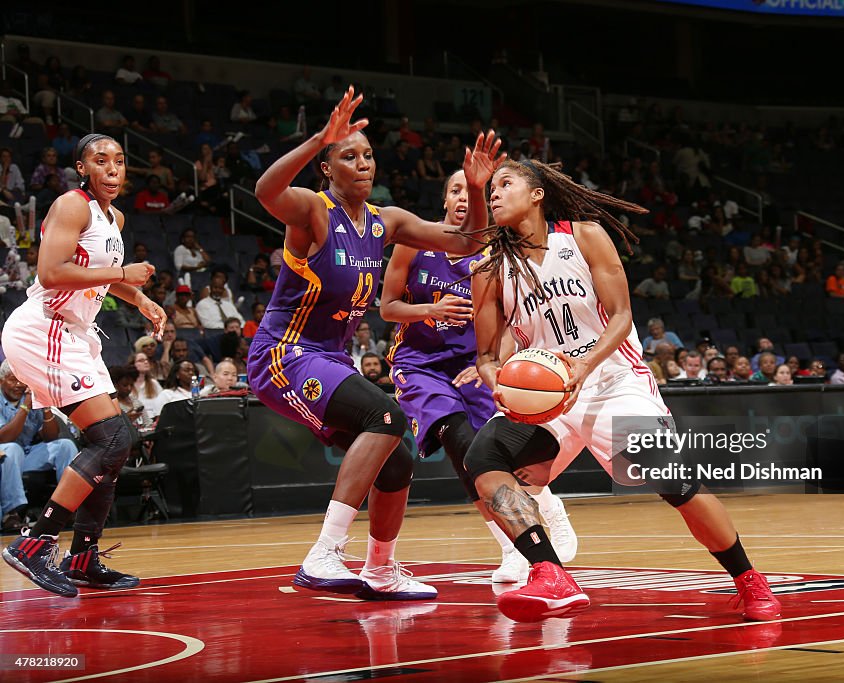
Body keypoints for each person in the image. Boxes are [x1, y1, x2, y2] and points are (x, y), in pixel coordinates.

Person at [463, 157, 781, 623]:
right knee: (482, 459)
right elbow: (487, 357)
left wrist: (582, 366)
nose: (494, 193)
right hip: (547, 398)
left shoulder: (585, 235)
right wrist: (501, 386)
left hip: (613, 381)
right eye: (490, 188)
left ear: (537, 194)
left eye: (505, 183)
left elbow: (621, 317)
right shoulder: (489, 270)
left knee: (677, 485)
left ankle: (749, 580)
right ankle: (550, 573)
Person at [248, 88, 505, 601]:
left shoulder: (386, 221)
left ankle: (381, 570)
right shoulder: (313, 212)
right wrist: (320, 137)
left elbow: (468, 242)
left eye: (367, 155)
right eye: (348, 155)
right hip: (283, 353)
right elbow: (265, 190)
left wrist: (476, 188)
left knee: (400, 453)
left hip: (328, 358)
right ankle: (324, 554)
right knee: (387, 416)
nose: (362, 163)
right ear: (327, 168)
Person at [381, 168, 578, 584]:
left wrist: (488, 363)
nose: (463, 199)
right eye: (455, 190)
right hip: (420, 364)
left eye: (470, 192)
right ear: (444, 200)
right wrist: (428, 311)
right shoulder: (413, 244)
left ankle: (548, 507)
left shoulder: (494, 253)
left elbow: (510, 320)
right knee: (461, 442)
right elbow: (388, 308)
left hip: (473, 365)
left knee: (495, 457)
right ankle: (513, 547)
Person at [2, 133, 165, 597]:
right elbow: (52, 272)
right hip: (44, 326)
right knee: (113, 438)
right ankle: (35, 543)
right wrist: (123, 274)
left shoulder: (113, 216)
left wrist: (140, 298)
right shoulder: (71, 205)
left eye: (119, 161)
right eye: (101, 160)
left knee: (113, 446)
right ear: (82, 168)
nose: (112, 168)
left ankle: (82, 557)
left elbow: (100, 277)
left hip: (73, 333)